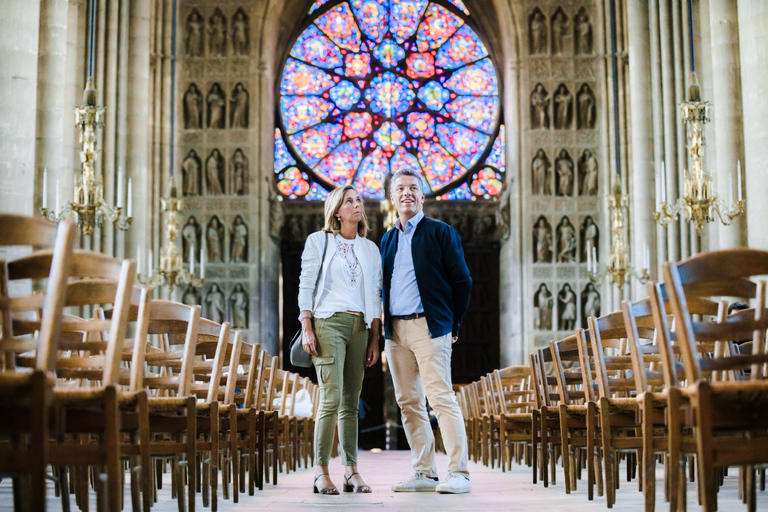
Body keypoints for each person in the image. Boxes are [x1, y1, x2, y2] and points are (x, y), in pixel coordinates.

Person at [380, 169, 473, 494]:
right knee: (409, 402)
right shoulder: (388, 239)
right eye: (400, 189)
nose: (406, 193)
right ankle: (424, 472)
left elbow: (462, 282)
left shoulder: (440, 232)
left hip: (429, 326)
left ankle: (459, 472)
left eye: (413, 188)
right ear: (392, 198)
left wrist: (452, 322)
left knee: (440, 397)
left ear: (422, 196)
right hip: (396, 332)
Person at [298, 185, 382, 495]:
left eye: (359, 200)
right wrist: (307, 325)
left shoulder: (370, 249)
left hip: (359, 326)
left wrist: (375, 337)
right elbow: (306, 284)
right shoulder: (319, 241)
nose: (357, 204)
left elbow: (374, 295)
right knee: (331, 398)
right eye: (349, 201)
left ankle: (351, 471)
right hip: (327, 323)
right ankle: (321, 472)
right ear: (337, 210)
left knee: (351, 402)